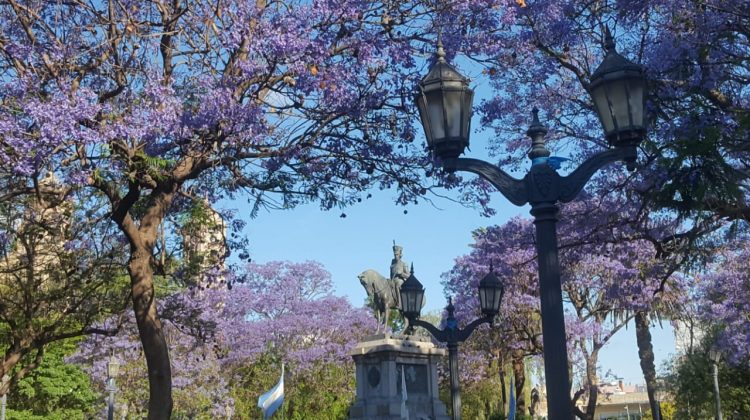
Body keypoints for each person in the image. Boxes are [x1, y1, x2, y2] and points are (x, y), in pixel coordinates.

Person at [390, 242, 410, 308]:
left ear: (400, 255)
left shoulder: (404, 264)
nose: (395, 256)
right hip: (392, 281)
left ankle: (399, 303)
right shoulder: (392, 264)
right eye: (394, 255)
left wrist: (401, 273)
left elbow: (409, 276)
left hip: (400, 281)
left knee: (397, 285)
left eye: (397, 255)